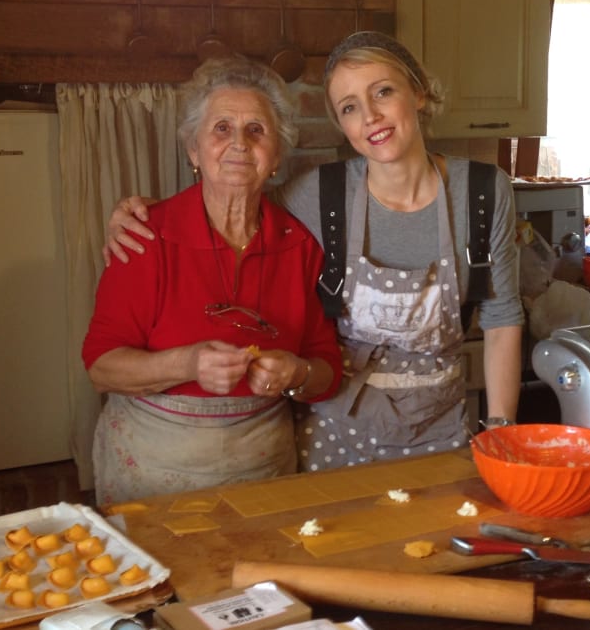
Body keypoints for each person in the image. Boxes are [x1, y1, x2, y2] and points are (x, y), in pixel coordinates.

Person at [102, 32, 524, 473]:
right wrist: (139, 212)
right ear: (341, 124)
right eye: (349, 107)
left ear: (417, 92)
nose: (371, 117)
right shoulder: (319, 195)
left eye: (383, 91)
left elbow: (501, 318)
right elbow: (233, 198)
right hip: (338, 429)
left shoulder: (482, 190)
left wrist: (500, 429)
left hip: (439, 424)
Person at [82, 55, 343, 506]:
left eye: (256, 131)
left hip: (264, 465)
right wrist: (187, 364)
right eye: (221, 128)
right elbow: (101, 367)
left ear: (276, 155)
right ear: (193, 151)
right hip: (152, 469)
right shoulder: (146, 235)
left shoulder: (299, 243)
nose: (239, 143)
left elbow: (327, 369)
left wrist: (296, 372)